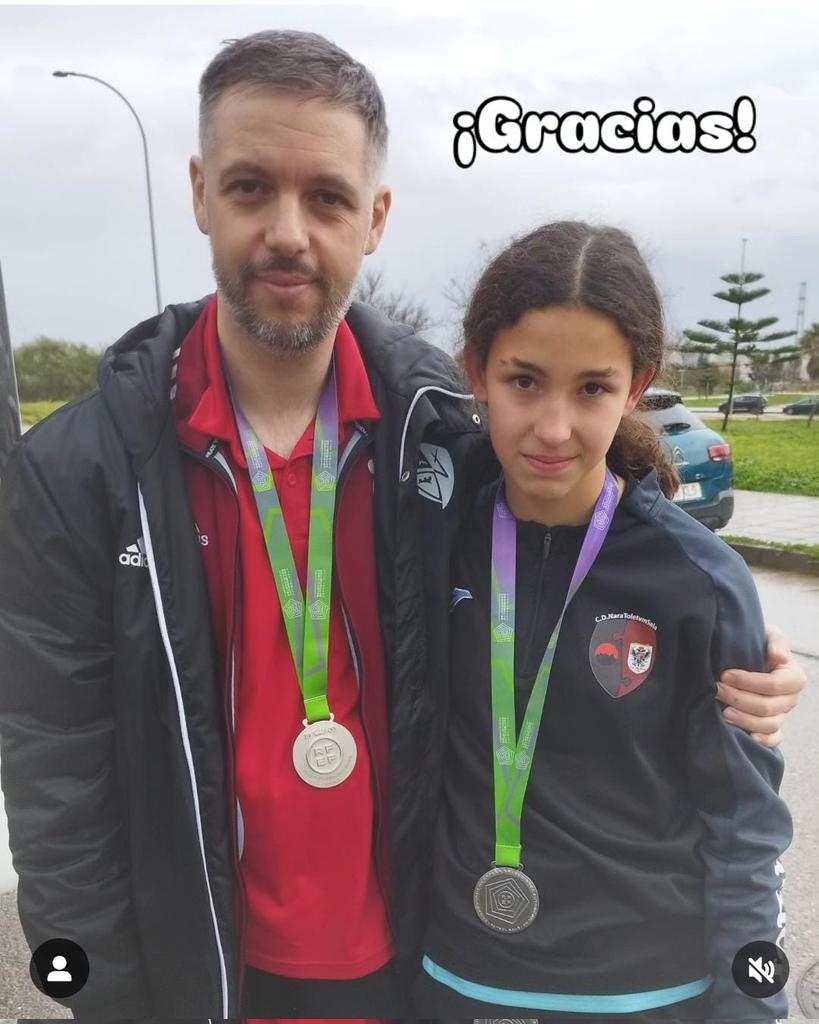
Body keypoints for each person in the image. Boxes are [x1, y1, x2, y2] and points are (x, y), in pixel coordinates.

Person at [0, 33, 805, 1019]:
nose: (289, 232)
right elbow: (55, 776)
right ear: (201, 192)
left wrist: (742, 664)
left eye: (328, 197)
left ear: (375, 218)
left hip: (420, 970)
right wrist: (101, 990)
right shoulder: (79, 472)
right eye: (252, 188)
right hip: (204, 978)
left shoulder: (447, 436)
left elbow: (576, 560)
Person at [414, 221, 793, 1023]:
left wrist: (753, 1005)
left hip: (646, 991)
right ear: (477, 372)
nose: (553, 428)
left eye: (590, 388)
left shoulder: (698, 581)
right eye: (523, 382)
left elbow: (743, 827)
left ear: (637, 383)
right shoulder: (433, 540)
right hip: (458, 979)